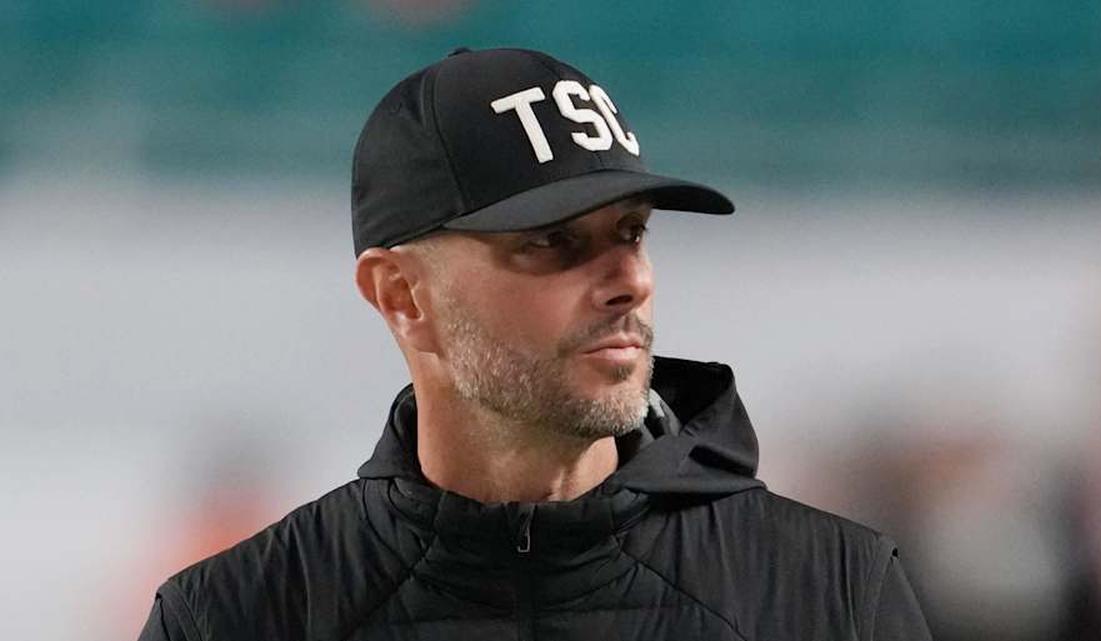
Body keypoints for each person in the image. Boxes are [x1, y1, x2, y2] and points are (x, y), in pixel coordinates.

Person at [138, 47, 932, 641]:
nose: (630, 279)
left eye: (631, 232)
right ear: (401, 295)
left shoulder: (831, 594)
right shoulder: (233, 616)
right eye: (552, 241)